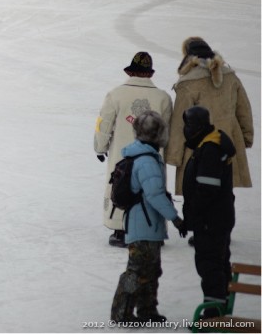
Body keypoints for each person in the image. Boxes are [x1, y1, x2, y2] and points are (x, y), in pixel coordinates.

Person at [110, 110, 187, 324]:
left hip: (146, 225)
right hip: (143, 225)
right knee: (136, 270)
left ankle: (147, 310)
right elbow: (154, 195)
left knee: (151, 270)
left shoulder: (144, 156)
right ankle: (122, 312)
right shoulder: (147, 161)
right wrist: (175, 218)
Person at [94, 52, 173, 247]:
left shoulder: (116, 94)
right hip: (152, 155)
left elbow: (103, 124)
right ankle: (151, 230)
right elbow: (167, 132)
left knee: (123, 185)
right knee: (151, 188)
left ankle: (121, 229)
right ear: (149, 74)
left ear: (130, 71)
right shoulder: (162, 98)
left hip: (123, 155)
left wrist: (100, 147)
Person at [165, 37, 253, 196]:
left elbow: (180, 122)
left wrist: (174, 155)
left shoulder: (188, 83)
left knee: (198, 193)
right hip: (228, 142)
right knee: (224, 190)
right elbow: (244, 110)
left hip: (198, 148)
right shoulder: (231, 77)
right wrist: (246, 137)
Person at [181, 106, 236, 317]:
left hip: (211, 220)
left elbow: (206, 190)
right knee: (217, 263)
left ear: (197, 127)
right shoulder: (209, 143)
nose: (186, 129)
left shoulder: (211, 148)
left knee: (210, 266)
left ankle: (213, 313)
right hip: (215, 218)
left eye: (189, 125)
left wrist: (192, 216)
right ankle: (220, 307)